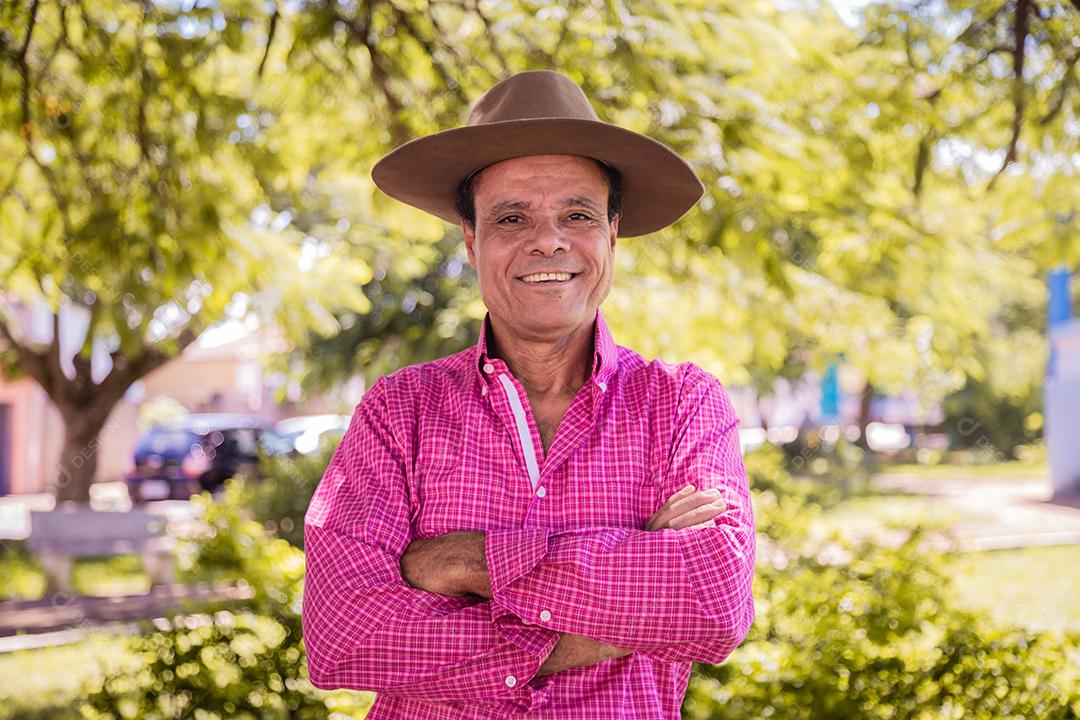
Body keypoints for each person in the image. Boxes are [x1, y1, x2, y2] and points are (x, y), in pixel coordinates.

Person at [302, 70, 755, 719]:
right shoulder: (399, 411)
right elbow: (345, 640)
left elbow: (713, 604)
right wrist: (625, 600)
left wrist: (465, 561)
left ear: (612, 232)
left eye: (578, 214)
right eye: (513, 217)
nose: (549, 239)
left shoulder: (682, 403)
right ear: (471, 237)